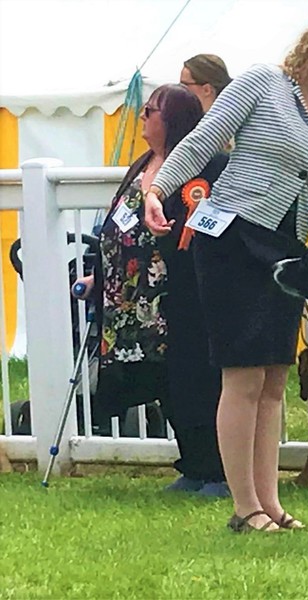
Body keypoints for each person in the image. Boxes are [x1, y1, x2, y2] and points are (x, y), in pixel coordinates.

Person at [144, 11, 308, 533]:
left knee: (273, 380)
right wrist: (158, 189)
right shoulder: (262, 82)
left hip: (283, 250)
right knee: (243, 375)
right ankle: (244, 506)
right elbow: (204, 140)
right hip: (232, 238)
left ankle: (270, 502)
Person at [78, 83, 230, 496]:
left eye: (151, 111)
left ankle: (218, 470)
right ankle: (193, 465)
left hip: (177, 296)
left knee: (196, 381)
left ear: (174, 119)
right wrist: (99, 277)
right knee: (163, 384)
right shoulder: (142, 165)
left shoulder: (199, 168)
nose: (143, 118)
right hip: (131, 301)